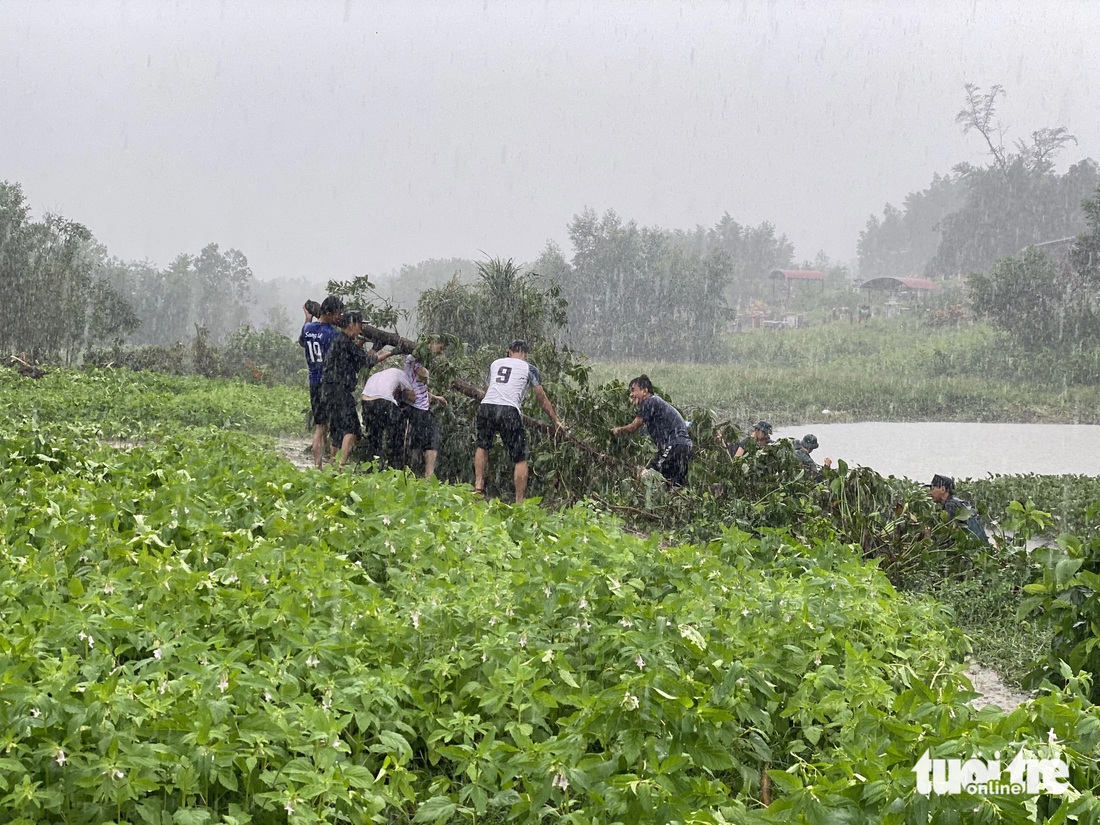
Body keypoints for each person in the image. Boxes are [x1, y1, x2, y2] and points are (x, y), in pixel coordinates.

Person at [473, 339, 561, 503]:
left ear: (509, 351)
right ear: (525, 354)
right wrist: (555, 420)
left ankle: (478, 486)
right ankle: (519, 501)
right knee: (521, 457)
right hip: (509, 410)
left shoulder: (496, 363)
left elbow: (486, 389)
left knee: (482, 445)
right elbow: (541, 398)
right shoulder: (530, 368)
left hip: (487, 406)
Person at [319, 310, 393, 471]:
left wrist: (374, 348)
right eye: (360, 326)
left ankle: (332, 466)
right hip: (340, 391)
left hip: (329, 390)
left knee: (337, 431)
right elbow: (367, 361)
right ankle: (340, 467)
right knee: (352, 430)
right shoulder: (344, 342)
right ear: (351, 325)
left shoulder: (341, 341)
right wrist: (393, 352)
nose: (361, 331)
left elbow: (358, 361)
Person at [611, 375, 693, 487]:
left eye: (633, 390)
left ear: (645, 391)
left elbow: (633, 427)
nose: (631, 395)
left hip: (674, 446)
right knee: (674, 485)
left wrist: (617, 430)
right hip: (685, 447)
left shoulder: (650, 402)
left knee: (648, 475)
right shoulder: (656, 405)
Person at [298, 295, 344, 469]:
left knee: (320, 426)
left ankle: (317, 466)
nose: (339, 318)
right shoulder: (333, 334)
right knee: (335, 425)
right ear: (330, 313)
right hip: (329, 383)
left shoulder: (308, 328)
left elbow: (302, 342)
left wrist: (307, 319)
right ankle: (333, 463)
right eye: (338, 314)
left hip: (314, 382)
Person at [403, 339, 448, 479]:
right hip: (415, 407)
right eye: (440, 348)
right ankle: (418, 474)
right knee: (424, 439)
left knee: (427, 439)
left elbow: (420, 387)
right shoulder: (413, 359)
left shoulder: (419, 361)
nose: (440, 352)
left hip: (423, 407)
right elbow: (422, 374)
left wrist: (435, 397)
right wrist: (429, 371)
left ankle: (423, 474)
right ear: (431, 343)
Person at [361, 366, 417, 469]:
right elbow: (412, 397)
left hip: (366, 402)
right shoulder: (401, 373)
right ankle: (396, 468)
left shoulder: (377, 375)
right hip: (384, 402)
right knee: (397, 436)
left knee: (374, 437)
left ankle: (372, 467)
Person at [928, 474, 990, 543]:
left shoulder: (950, 505)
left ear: (943, 489)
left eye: (932, 489)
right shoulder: (960, 502)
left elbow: (950, 534)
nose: (930, 493)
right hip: (981, 546)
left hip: (970, 547)